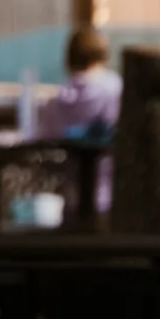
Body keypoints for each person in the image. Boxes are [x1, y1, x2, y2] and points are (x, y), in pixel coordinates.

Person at [35, 26, 122, 219]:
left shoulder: (56, 101)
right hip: (115, 203)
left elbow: (43, 151)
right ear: (103, 56)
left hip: (71, 203)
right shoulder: (117, 92)